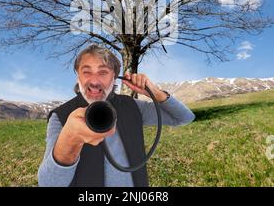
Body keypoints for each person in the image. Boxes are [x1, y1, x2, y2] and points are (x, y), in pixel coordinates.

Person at [38, 44, 195, 187]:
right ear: (78, 76)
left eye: (103, 72)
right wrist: (69, 140)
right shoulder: (60, 115)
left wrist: (154, 91)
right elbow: (48, 184)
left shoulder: (132, 106)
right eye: (86, 72)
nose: (94, 81)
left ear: (114, 77)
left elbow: (184, 118)